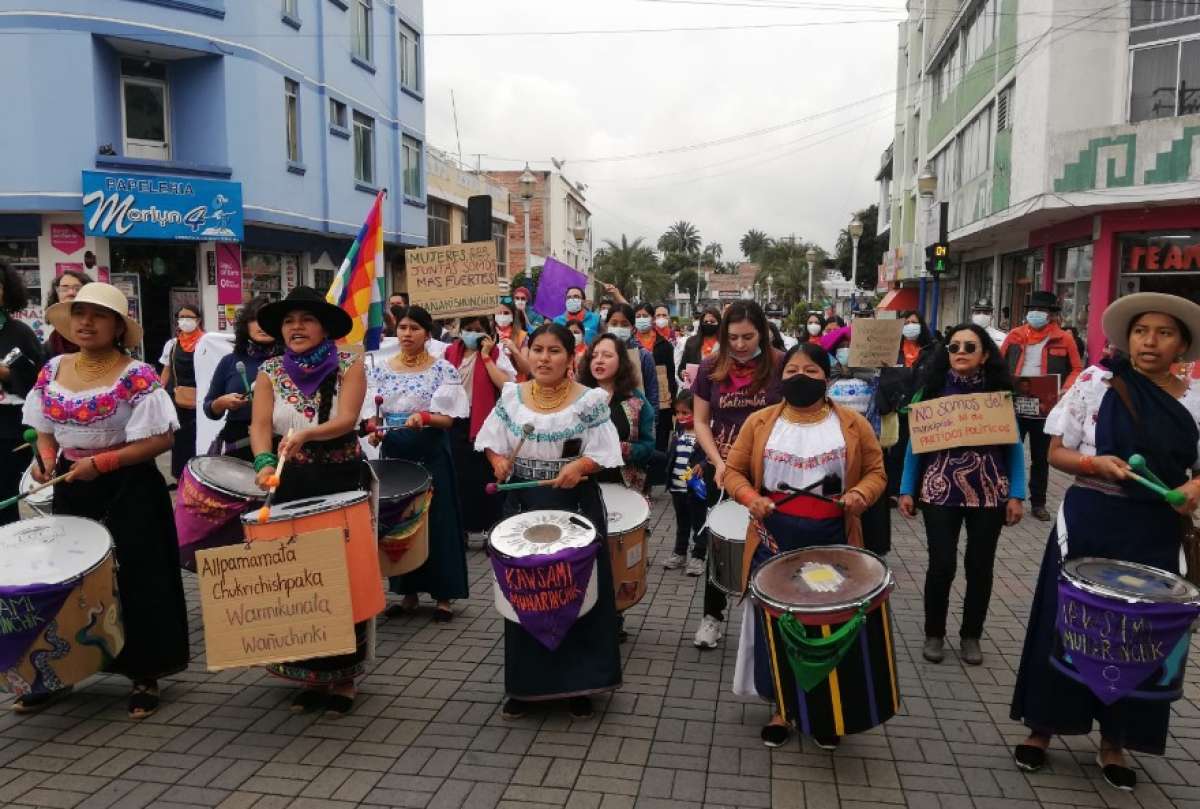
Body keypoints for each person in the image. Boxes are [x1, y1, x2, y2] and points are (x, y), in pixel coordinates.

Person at [1009, 292, 1200, 792]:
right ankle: (1043, 727)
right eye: (1141, 332)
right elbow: (1056, 452)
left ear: (1181, 342)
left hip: (1154, 528)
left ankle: (1116, 740)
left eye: (1163, 333)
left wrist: (1191, 491)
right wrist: (1095, 463)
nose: (1149, 342)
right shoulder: (1095, 383)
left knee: (1138, 630)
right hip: (1091, 517)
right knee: (1066, 618)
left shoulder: (1195, 398)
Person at [19, 282, 186, 718]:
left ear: (117, 327)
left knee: (134, 578)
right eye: (79, 314)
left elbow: (162, 439)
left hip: (128, 488)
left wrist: (105, 462)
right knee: (67, 583)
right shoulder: (52, 369)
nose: (86, 322)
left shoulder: (137, 375)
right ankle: (56, 671)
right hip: (73, 487)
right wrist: (46, 461)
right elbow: (45, 431)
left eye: (97, 315)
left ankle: (144, 673)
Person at [722, 342, 887, 749]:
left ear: (827, 379)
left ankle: (827, 712)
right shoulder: (760, 423)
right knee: (778, 626)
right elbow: (732, 472)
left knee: (830, 628)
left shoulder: (853, 424)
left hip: (832, 540)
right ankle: (781, 707)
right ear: (781, 376)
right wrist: (750, 498)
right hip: (773, 538)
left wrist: (860, 496)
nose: (801, 378)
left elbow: (876, 471)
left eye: (812, 372)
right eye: (793, 370)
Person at [475, 323, 624, 720]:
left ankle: (580, 684)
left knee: (575, 591)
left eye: (554, 351)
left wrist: (580, 465)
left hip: (574, 503)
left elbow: (606, 452)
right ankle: (528, 686)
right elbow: (491, 441)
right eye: (537, 349)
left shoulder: (589, 402)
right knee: (527, 590)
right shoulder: (512, 396)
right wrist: (499, 461)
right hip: (524, 504)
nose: (544, 358)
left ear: (570, 357)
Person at [250, 286, 369, 716]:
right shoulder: (268, 370)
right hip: (291, 479)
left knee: (340, 575)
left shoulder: (350, 364)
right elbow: (261, 424)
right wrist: (264, 462)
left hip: (339, 478)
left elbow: (346, 420)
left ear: (323, 327)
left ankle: (343, 677)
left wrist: (306, 434)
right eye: (288, 321)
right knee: (296, 576)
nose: (296, 328)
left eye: (306, 319)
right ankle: (306, 671)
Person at [897, 323, 1026, 666]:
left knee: (980, 566)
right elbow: (915, 446)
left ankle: (971, 635)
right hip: (939, 492)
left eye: (970, 347)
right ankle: (934, 633)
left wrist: (1017, 493)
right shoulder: (933, 391)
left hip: (990, 493)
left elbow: (1013, 447)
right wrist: (907, 488)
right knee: (942, 564)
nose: (962, 353)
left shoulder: (999, 395)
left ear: (985, 355)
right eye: (954, 347)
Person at [690, 301, 785, 650]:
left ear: (762, 331)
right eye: (733, 338)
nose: (741, 344)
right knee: (722, 539)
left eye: (748, 337)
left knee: (770, 541)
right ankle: (711, 618)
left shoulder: (780, 364)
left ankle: (768, 616)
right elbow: (700, 420)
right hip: (725, 467)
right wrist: (718, 462)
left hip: (772, 469)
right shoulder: (711, 366)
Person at [369, 305, 471, 622]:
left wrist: (425, 417)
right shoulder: (380, 369)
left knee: (437, 520)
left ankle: (444, 596)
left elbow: (449, 420)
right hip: (396, 453)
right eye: (402, 328)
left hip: (431, 450)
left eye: (414, 328)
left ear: (428, 333)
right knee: (399, 521)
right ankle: (407, 592)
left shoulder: (442, 370)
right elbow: (376, 416)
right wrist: (374, 432)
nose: (407, 334)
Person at [1000, 291, 1084, 521]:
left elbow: (1077, 368)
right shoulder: (1014, 335)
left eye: (1042, 311)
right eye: (1033, 310)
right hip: (1016, 402)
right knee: (1008, 450)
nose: (1036, 314)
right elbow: (998, 363)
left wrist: (1064, 389)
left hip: (1046, 405)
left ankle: (1038, 503)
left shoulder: (1064, 338)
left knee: (1040, 457)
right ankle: (1006, 496)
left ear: (1051, 315)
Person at [443, 311, 516, 545]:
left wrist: (486, 356)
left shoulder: (495, 353)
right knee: (459, 478)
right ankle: (461, 530)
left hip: (483, 422)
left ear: (487, 332)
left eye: (477, 330)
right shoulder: (449, 352)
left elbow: (507, 385)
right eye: (468, 329)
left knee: (484, 478)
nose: (472, 334)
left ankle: (489, 529)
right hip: (455, 423)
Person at [823, 324, 893, 557]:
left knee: (869, 499)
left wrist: (886, 377)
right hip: (832, 450)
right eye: (841, 347)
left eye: (851, 347)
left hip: (867, 447)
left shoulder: (874, 376)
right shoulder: (825, 377)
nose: (846, 351)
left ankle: (872, 549)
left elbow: (887, 406)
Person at [202, 296, 280, 461]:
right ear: (245, 325)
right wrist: (220, 403)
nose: (263, 325)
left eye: (269, 320)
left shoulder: (291, 361)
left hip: (281, 442)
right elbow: (209, 408)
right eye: (257, 319)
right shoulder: (230, 362)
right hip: (237, 443)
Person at [579, 333, 655, 491]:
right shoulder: (577, 396)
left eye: (607, 355)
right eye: (594, 356)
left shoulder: (636, 400)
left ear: (621, 361)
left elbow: (648, 445)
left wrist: (622, 449)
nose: (599, 360)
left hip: (625, 488)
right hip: (583, 485)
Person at [0, 264, 42, 524]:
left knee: (4, 499)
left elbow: (37, 383)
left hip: (9, 429)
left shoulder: (21, 333)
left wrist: (6, 373)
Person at [884, 310, 939, 500]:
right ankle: (894, 489)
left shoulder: (932, 350)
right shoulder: (892, 349)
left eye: (913, 322)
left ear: (922, 325)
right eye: (906, 322)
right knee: (897, 451)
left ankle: (918, 490)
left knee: (920, 450)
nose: (909, 325)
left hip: (922, 411)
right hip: (897, 409)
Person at [160, 304, 204, 483]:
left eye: (189, 317)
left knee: (198, 439)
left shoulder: (205, 342)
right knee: (179, 440)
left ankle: (198, 477)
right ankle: (180, 478)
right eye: (181, 317)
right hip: (178, 399)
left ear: (198, 320)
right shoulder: (172, 344)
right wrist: (159, 392)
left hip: (201, 400)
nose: (185, 320)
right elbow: (166, 371)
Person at [664, 390, 706, 575]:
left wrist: (703, 464)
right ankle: (679, 554)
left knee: (699, 524)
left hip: (694, 490)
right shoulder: (679, 432)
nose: (680, 416)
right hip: (677, 488)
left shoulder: (704, 434)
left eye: (685, 412)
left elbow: (710, 457)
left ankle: (698, 557)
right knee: (682, 524)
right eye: (678, 412)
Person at [634, 302, 678, 456]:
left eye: (645, 316)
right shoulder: (630, 343)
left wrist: (672, 403)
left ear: (651, 318)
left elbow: (671, 377)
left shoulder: (664, 345)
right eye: (638, 316)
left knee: (659, 442)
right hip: (635, 398)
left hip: (661, 400)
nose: (641, 319)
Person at [603, 303, 660, 418]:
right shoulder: (596, 354)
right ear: (606, 325)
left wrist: (651, 427)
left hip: (635, 423)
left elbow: (652, 396)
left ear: (633, 328)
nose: (618, 328)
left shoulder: (643, 356)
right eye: (614, 323)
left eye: (624, 325)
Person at [42, 269, 91, 359]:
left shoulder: (100, 339)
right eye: (64, 288)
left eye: (78, 288)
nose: (71, 293)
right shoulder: (50, 347)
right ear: (57, 295)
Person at [677, 307, 722, 387]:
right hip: (696, 390)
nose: (709, 324)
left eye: (712, 322)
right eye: (706, 321)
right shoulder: (691, 342)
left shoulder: (725, 343)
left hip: (719, 390)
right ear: (701, 323)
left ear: (719, 323)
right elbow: (681, 368)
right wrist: (683, 373)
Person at [494, 298, 532, 379]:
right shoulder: (490, 334)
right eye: (499, 313)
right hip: (494, 384)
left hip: (516, 386)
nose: (502, 316)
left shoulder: (522, 336)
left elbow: (527, 370)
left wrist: (514, 350)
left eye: (506, 313)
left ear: (513, 316)